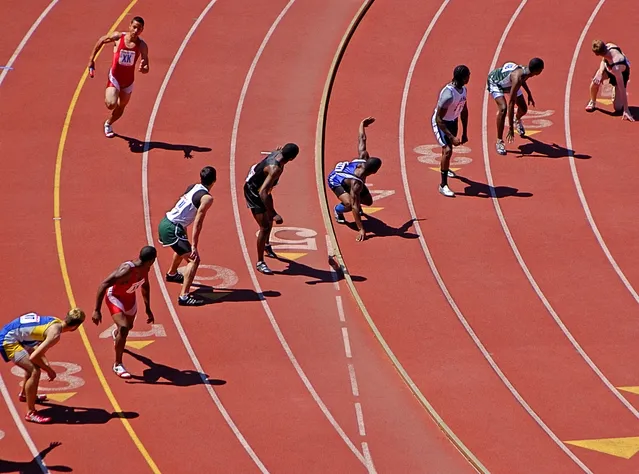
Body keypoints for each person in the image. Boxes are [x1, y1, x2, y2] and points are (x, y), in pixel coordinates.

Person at [1, 309, 86, 423]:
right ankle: (31, 413)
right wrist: (49, 370)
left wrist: (46, 364)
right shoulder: (55, 335)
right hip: (8, 340)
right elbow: (34, 357)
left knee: (32, 367)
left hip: (18, 335)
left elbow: (36, 349)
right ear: (76, 326)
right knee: (34, 371)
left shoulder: (55, 321)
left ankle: (25, 395)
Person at [93, 246, 157, 379]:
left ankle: (117, 334)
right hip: (115, 298)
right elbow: (104, 284)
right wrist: (97, 310)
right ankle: (118, 364)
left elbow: (145, 285)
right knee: (123, 327)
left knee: (127, 328)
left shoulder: (146, 268)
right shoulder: (126, 270)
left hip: (130, 299)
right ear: (151, 260)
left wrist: (148, 308)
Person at [158, 166, 216, 306]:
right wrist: (194, 245)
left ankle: (172, 274)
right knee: (194, 260)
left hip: (166, 222)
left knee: (182, 249)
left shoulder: (193, 187)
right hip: (173, 228)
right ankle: (184, 296)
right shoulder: (207, 198)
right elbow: (198, 222)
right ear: (214, 180)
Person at [87, 16, 149, 138]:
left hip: (128, 81)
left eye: (139, 29)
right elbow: (101, 40)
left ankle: (108, 123)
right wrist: (91, 60)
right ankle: (112, 93)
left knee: (121, 107)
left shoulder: (142, 46)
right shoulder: (118, 37)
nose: (136, 31)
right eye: (134, 27)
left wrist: (144, 68)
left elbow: (147, 66)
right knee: (111, 104)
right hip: (115, 78)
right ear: (130, 26)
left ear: (142, 30)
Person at [244, 143, 299, 275]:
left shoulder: (277, 154)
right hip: (254, 192)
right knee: (265, 227)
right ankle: (260, 262)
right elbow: (262, 192)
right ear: (292, 158)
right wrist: (274, 213)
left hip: (262, 188)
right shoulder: (275, 169)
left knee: (269, 220)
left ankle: (266, 245)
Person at [327, 117, 382, 240]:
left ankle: (349, 199)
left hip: (348, 179)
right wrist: (361, 228)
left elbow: (362, 139)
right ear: (374, 172)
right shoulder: (356, 184)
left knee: (368, 201)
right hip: (336, 179)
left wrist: (362, 124)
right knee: (349, 204)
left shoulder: (363, 157)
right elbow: (354, 206)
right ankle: (337, 210)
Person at [487, 58, 544, 155]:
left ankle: (517, 120)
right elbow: (511, 103)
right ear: (537, 71)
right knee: (503, 109)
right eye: (542, 69)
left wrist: (529, 93)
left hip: (510, 84)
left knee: (523, 109)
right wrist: (510, 128)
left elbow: (523, 80)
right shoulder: (517, 78)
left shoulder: (526, 71)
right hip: (495, 82)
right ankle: (499, 141)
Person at [432, 65, 470, 197]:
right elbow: (438, 119)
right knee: (447, 150)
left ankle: (445, 168)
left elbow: (464, 111)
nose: (469, 78)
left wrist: (465, 132)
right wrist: (451, 137)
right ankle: (443, 185)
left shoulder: (463, 90)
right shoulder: (448, 95)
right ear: (463, 78)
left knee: (448, 151)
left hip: (453, 121)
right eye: (468, 76)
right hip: (442, 123)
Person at [586, 40, 634, 121]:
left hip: (620, 73)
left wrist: (626, 109)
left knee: (618, 108)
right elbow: (603, 60)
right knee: (595, 81)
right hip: (609, 69)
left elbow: (622, 88)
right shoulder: (608, 46)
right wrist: (600, 72)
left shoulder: (616, 66)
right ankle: (592, 101)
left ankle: (615, 90)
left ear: (597, 54)